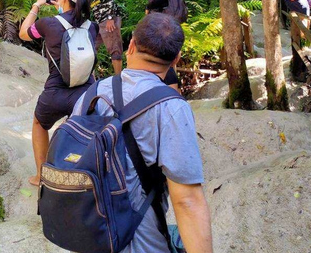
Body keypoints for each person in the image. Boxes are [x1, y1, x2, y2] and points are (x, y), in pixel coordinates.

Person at [71, 13, 213, 253]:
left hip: (89, 236)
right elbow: (187, 200)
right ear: (175, 60)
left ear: (131, 46)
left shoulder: (91, 94)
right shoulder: (172, 108)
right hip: (141, 244)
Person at [19, 0, 97, 187]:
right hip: (85, 93)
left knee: (39, 123)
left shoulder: (49, 24)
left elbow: (23, 33)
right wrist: (64, 8)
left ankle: (40, 176)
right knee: (77, 130)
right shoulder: (92, 27)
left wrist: (37, 5)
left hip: (56, 92)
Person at [127, 0, 184, 89]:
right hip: (169, 26)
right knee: (164, 61)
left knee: (159, 60)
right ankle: (173, 93)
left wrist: (148, 7)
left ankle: (171, 92)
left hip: (160, 27)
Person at [72, 0, 123, 74]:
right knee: (91, 48)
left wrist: (110, 18)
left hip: (108, 18)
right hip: (97, 22)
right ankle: (88, 76)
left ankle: (118, 79)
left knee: (114, 47)